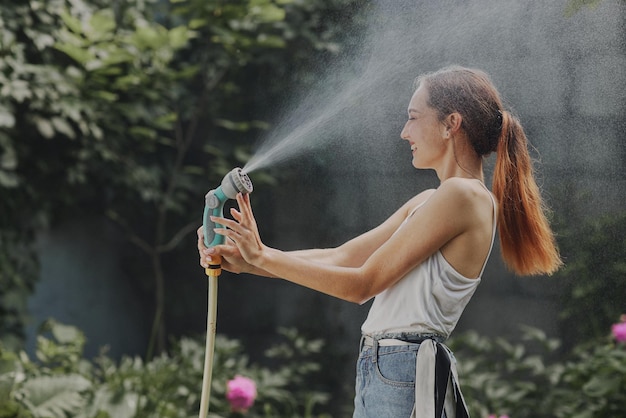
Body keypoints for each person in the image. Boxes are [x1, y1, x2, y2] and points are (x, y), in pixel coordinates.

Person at [197, 65, 562, 417]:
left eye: (414, 117)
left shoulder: (464, 197)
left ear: (451, 123)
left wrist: (262, 257)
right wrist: (248, 261)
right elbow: (342, 256)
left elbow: (363, 285)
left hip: (401, 367)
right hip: (383, 365)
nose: (405, 132)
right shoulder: (430, 200)